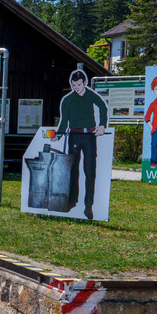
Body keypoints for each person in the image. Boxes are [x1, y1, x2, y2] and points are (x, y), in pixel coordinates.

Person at [55, 70, 109, 220]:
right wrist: (58, 134)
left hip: (89, 136)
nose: (76, 88)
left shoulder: (90, 95)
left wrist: (102, 125)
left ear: (84, 83)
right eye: (74, 85)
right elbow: (64, 120)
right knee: (73, 170)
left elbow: (103, 107)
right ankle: (72, 201)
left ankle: (88, 205)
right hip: (74, 136)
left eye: (79, 85)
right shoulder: (68, 100)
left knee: (90, 171)